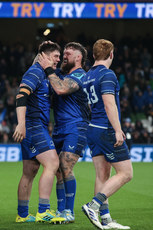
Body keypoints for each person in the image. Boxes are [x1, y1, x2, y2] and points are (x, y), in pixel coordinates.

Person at [82, 39, 133, 230]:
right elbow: (109, 104)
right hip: (106, 129)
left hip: (92, 128)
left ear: (94, 55)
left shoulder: (87, 76)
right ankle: (93, 206)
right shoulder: (108, 74)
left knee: (102, 174)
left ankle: (105, 219)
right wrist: (118, 130)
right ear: (111, 54)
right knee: (126, 173)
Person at [13, 41, 65, 224]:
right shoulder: (35, 72)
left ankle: (23, 214)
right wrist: (21, 124)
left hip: (35, 126)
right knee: (52, 163)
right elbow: (21, 95)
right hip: (33, 126)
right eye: (56, 56)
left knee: (29, 171)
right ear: (45, 56)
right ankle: (43, 211)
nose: (58, 60)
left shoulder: (43, 74)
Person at [38, 42, 90, 223]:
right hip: (59, 129)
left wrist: (49, 70)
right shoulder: (59, 73)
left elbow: (60, 89)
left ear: (78, 58)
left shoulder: (80, 75)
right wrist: (43, 52)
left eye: (68, 53)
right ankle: (60, 212)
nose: (63, 56)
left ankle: (69, 212)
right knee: (58, 171)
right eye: (62, 54)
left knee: (66, 166)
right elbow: (43, 65)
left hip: (76, 127)